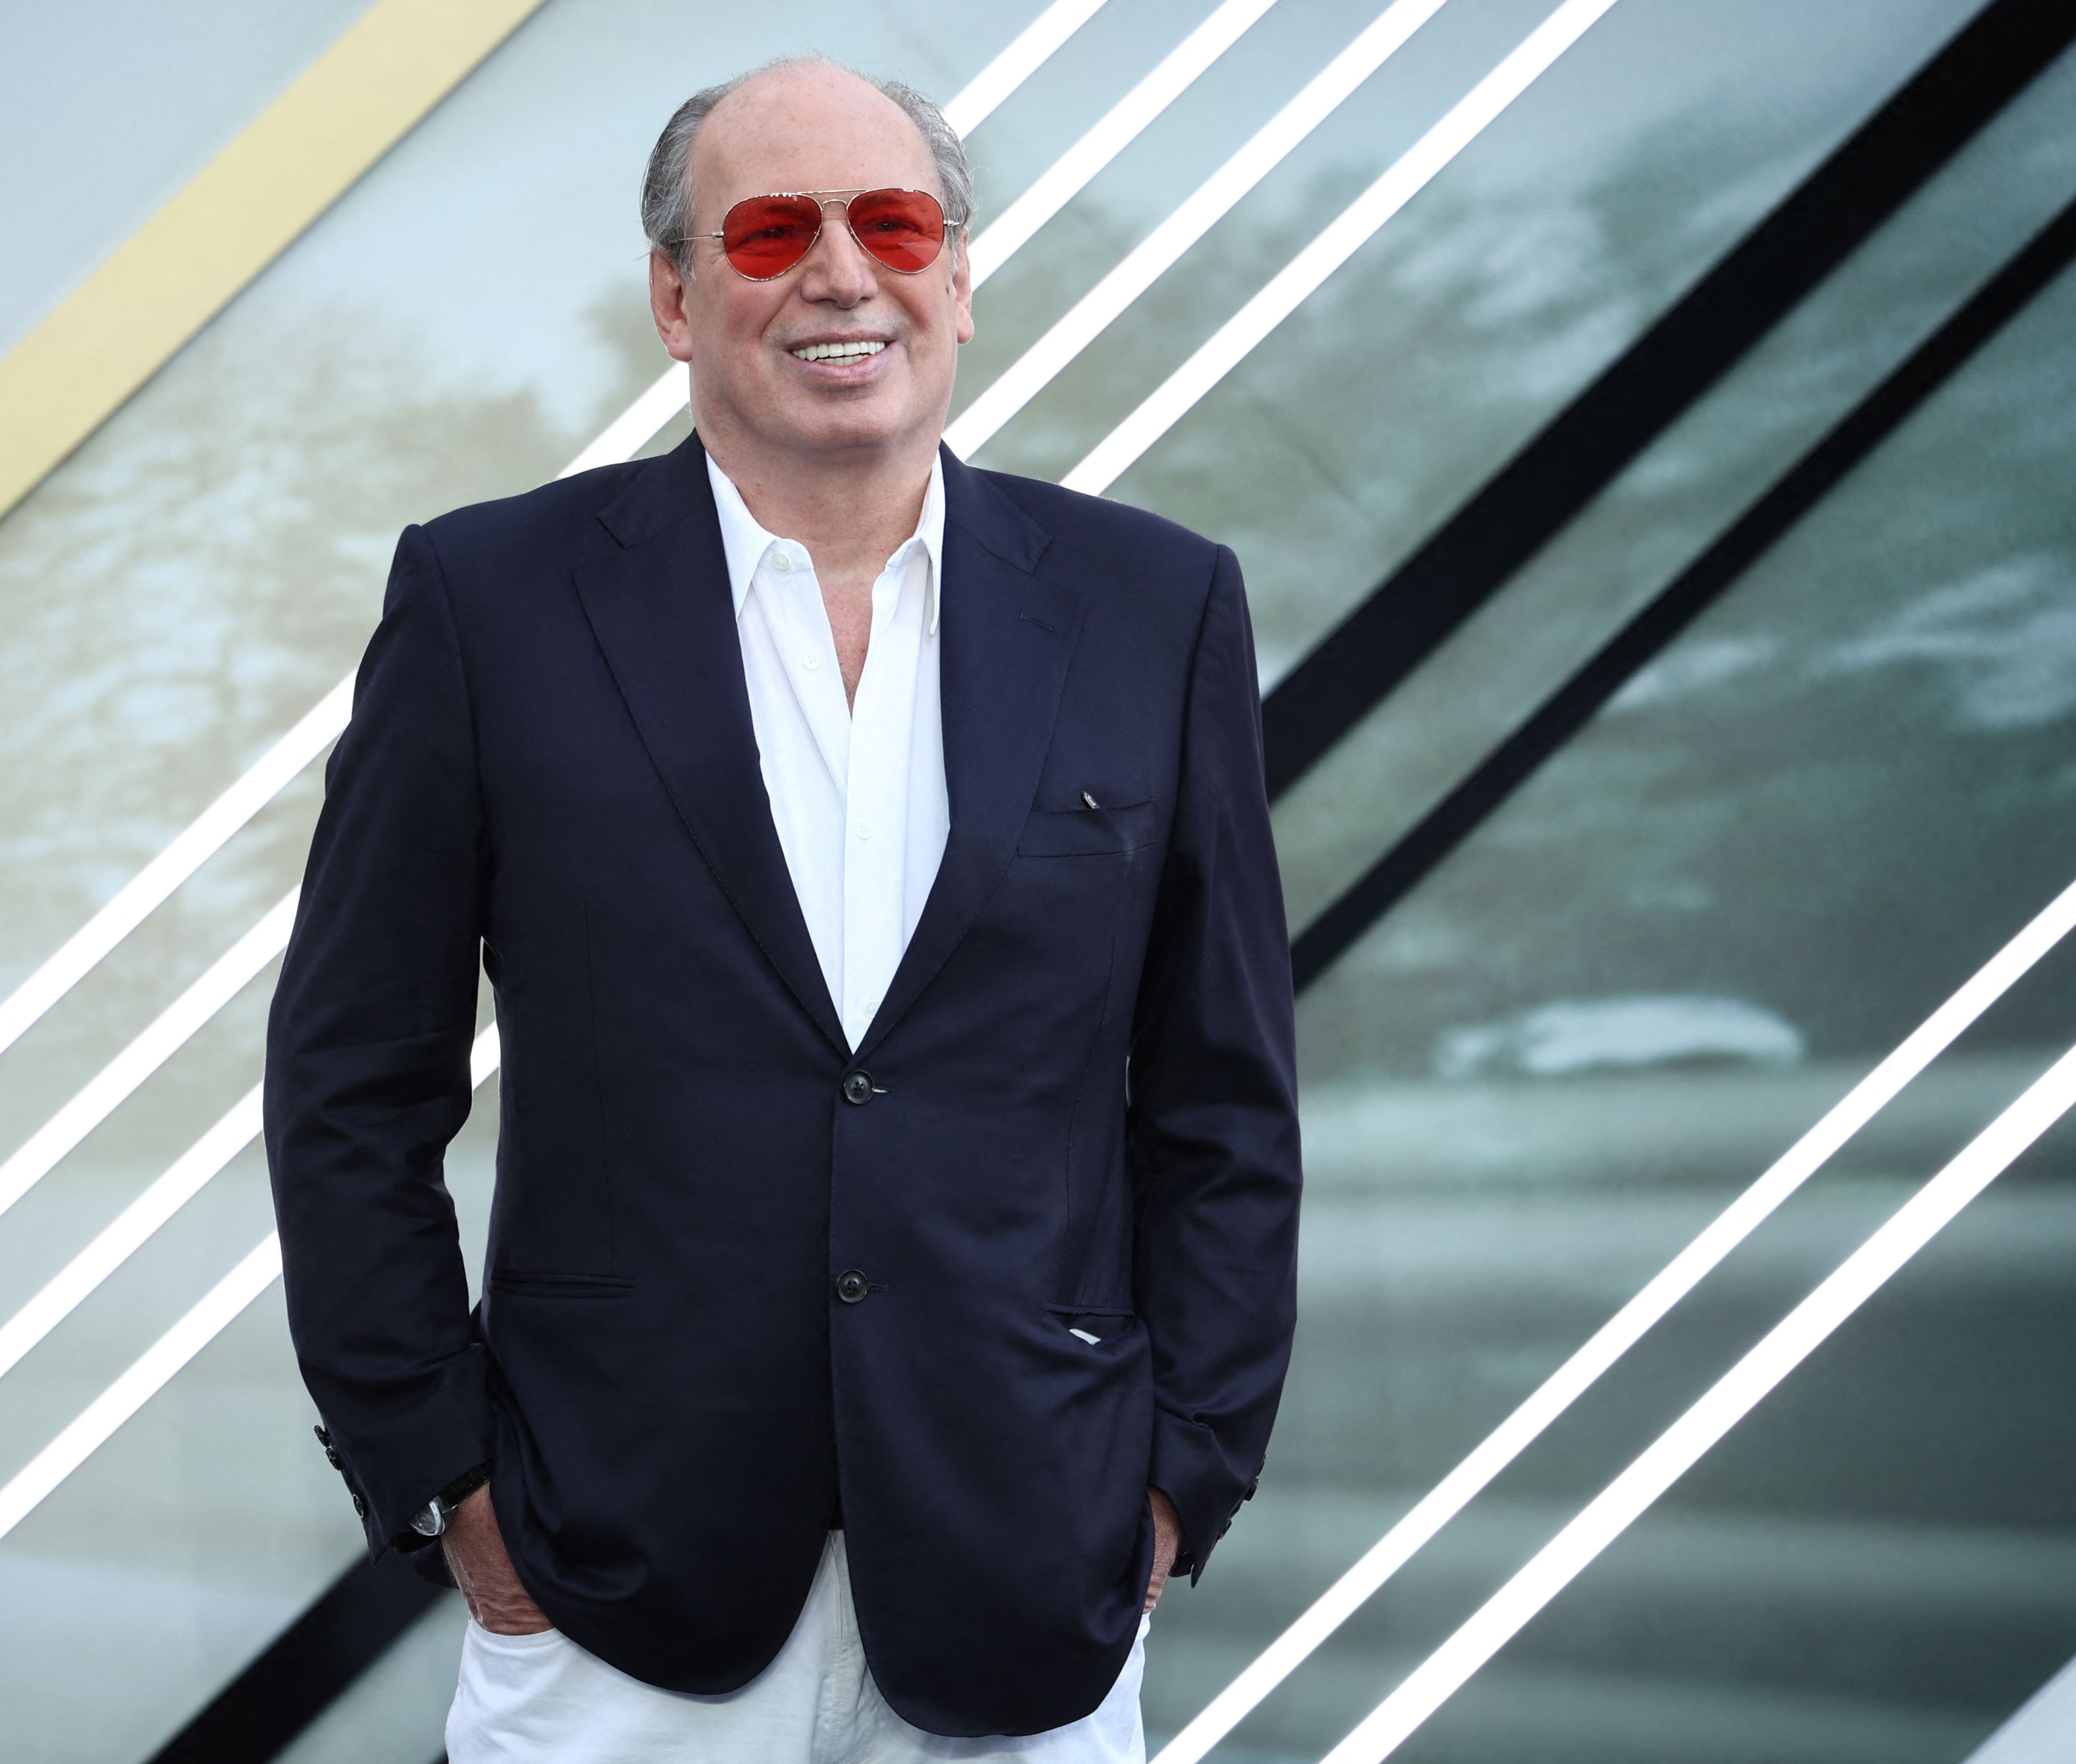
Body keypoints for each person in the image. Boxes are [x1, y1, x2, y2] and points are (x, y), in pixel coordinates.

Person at [266, 56, 1300, 1763]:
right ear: (677, 299)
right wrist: (444, 1477)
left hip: (1028, 1569)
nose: (841, 274)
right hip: (608, 1588)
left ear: (957, 278)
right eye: (770, 232)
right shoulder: (488, 602)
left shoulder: (1156, 606)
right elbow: (350, 1085)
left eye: (893, 224)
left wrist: (1180, 1474)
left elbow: (1224, 1097)